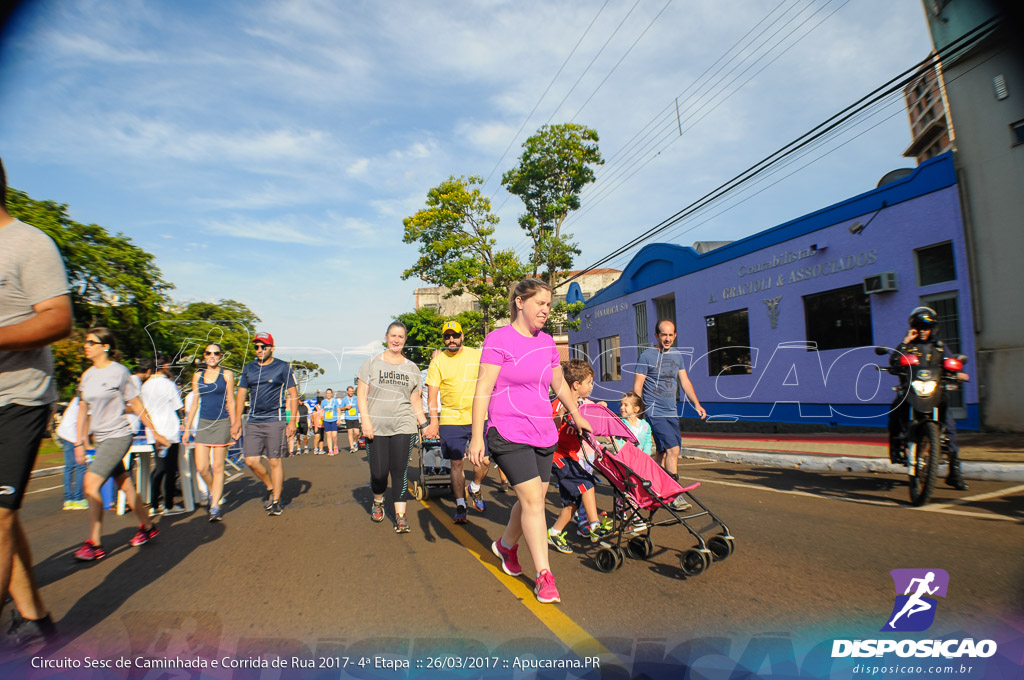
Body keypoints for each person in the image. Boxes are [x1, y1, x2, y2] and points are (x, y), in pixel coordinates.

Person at [468, 278, 592, 605]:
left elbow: (560, 385)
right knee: (534, 502)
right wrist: (477, 435)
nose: (546, 310)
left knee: (529, 500)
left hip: (542, 432)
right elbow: (483, 388)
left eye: (549, 305)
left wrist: (576, 413)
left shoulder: (547, 343)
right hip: (507, 430)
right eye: (541, 303)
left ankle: (507, 546)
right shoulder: (498, 340)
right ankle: (544, 576)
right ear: (520, 302)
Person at [0, 157, 73, 649]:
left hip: (17, 398)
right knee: (5, 515)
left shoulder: (29, 243)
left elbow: (58, 319)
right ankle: (35, 620)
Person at [73, 327, 166, 561]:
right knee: (125, 485)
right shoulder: (87, 375)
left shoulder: (119, 372)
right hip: (101, 439)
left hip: (118, 436)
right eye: (86, 342)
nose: (86, 345)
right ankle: (147, 526)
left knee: (90, 485)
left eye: (91, 342)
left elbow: (136, 405)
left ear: (105, 346)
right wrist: (79, 442)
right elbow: (83, 410)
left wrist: (155, 432)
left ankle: (94, 544)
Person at [357, 321, 428, 534]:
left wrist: (424, 425)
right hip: (376, 426)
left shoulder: (412, 368)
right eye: (393, 335)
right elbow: (362, 394)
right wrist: (365, 421)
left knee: (399, 471)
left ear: (405, 340)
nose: (396, 340)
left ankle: (400, 515)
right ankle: (378, 501)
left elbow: (415, 400)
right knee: (379, 473)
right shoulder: (371, 364)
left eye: (401, 337)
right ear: (386, 337)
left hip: (403, 424)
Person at [887, 306, 969, 491]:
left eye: (927, 327)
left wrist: (958, 371)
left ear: (933, 328)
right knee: (894, 411)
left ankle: (954, 472)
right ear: (913, 328)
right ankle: (895, 447)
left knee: (949, 426)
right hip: (911, 392)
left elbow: (952, 362)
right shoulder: (909, 345)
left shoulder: (939, 347)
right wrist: (906, 340)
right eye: (919, 327)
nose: (923, 331)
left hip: (935, 393)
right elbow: (893, 360)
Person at [633, 319, 706, 509]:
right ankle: (674, 495)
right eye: (663, 334)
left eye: (670, 335)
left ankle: (651, 485)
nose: (667, 338)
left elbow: (685, 382)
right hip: (654, 411)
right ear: (656, 335)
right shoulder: (646, 356)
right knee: (674, 450)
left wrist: (696, 404)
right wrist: (637, 412)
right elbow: (637, 386)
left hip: (671, 411)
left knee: (662, 453)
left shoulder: (677, 356)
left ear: (675, 336)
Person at [424, 320, 490, 524]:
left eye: (454, 335)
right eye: (447, 336)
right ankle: (461, 503)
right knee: (456, 462)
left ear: (462, 336)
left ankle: (475, 487)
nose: (451, 339)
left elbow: (490, 382)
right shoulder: (438, 361)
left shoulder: (476, 355)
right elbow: (432, 396)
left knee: (484, 460)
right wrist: (433, 422)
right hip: (451, 418)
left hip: (478, 415)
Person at [546, 359, 612, 555]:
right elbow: (552, 426)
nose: (592, 386)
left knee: (572, 502)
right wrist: (564, 414)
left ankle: (554, 532)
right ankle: (594, 525)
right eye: (589, 382)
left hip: (572, 455)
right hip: (557, 455)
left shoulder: (584, 404)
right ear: (576, 385)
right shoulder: (560, 402)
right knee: (586, 483)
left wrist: (599, 408)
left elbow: (590, 421)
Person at [233, 332, 298, 517]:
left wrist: (291, 421)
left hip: (274, 420)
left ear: (272, 348)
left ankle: (276, 500)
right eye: (257, 347)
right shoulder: (248, 368)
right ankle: (270, 486)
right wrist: (237, 420)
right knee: (250, 461)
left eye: (264, 346)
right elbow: (241, 396)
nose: (260, 350)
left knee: (274, 460)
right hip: (253, 420)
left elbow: (293, 395)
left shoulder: (282, 367)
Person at [184, 343, 237, 521]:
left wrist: (236, 425)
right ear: (204, 356)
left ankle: (214, 507)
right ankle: (215, 493)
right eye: (208, 353)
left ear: (221, 356)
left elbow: (231, 401)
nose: (212, 356)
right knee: (202, 467)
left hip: (222, 422)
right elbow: (194, 404)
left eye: (215, 353)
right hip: (203, 424)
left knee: (217, 467)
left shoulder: (227, 375)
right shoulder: (197, 375)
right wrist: (187, 428)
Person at [143, 356, 185, 515]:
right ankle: (168, 505)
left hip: (154, 431)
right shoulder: (169, 384)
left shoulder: (145, 386)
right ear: (165, 365)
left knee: (159, 467)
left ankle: (154, 504)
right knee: (170, 468)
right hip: (169, 430)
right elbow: (177, 406)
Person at [55, 397, 88, 510]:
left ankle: (68, 500)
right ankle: (78, 499)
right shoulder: (87, 400)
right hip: (72, 435)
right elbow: (83, 423)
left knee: (69, 467)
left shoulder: (77, 398)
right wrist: (83, 443)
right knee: (81, 466)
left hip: (64, 432)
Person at [618, 391, 654, 456]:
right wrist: (619, 451)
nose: (622, 407)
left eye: (626, 405)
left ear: (636, 409)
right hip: (625, 457)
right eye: (621, 405)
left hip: (640, 458)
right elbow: (617, 440)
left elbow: (647, 441)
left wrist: (647, 452)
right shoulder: (620, 424)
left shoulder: (645, 426)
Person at [320, 388, 342, 455]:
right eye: (327, 393)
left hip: (334, 420)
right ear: (326, 394)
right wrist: (321, 416)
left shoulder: (335, 401)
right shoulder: (323, 402)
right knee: (328, 436)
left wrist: (339, 419)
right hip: (327, 420)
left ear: (331, 394)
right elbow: (322, 410)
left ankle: (335, 446)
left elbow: (338, 410)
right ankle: (330, 450)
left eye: (330, 393)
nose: (328, 394)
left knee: (334, 435)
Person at [340, 385, 360, 453]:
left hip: (355, 417)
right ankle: (351, 447)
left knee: (357, 433)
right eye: (350, 391)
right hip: (348, 418)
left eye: (352, 391)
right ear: (347, 391)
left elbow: (360, 406)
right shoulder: (345, 399)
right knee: (350, 433)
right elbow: (340, 408)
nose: (351, 392)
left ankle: (355, 442)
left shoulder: (356, 398)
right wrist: (345, 407)